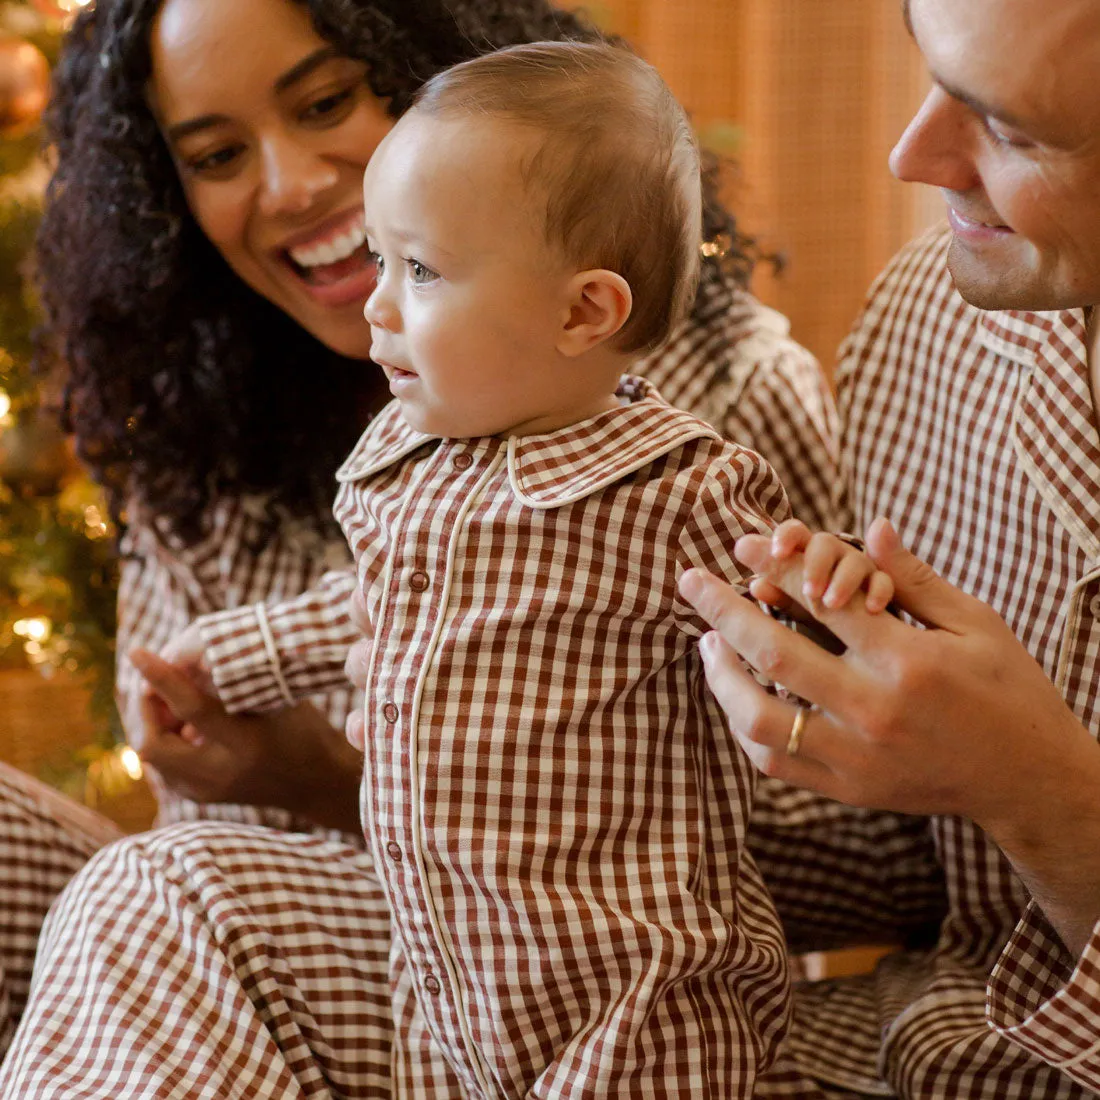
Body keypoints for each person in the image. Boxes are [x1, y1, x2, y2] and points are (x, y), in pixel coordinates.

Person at [0, 0, 896, 1095]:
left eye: (326, 100)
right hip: (367, 987)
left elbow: (872, 823)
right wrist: (210, 692)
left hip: (589, 986)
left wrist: (343, 783)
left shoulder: (688, 431)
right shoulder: (204, 444)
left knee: (152, 890)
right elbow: (296, 667)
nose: (285, 187)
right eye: (218, 154)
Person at [330, 40, 897, 1095]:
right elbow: (350, 609)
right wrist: (221, 655)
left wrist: (832, 581)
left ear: (581, 313)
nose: (375, 304)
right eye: (377, 260)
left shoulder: (671, 489)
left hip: (630, 993)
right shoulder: (398, 464)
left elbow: (798, 638)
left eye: (419, 269)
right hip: (445, 972)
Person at [680, 0, 1100, 1095]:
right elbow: (916, 871)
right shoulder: (931, 318)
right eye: (930, 72)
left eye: (1010, 129)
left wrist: (1045, 797)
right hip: (887, 1038)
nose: (908, 156)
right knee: (197, 894)